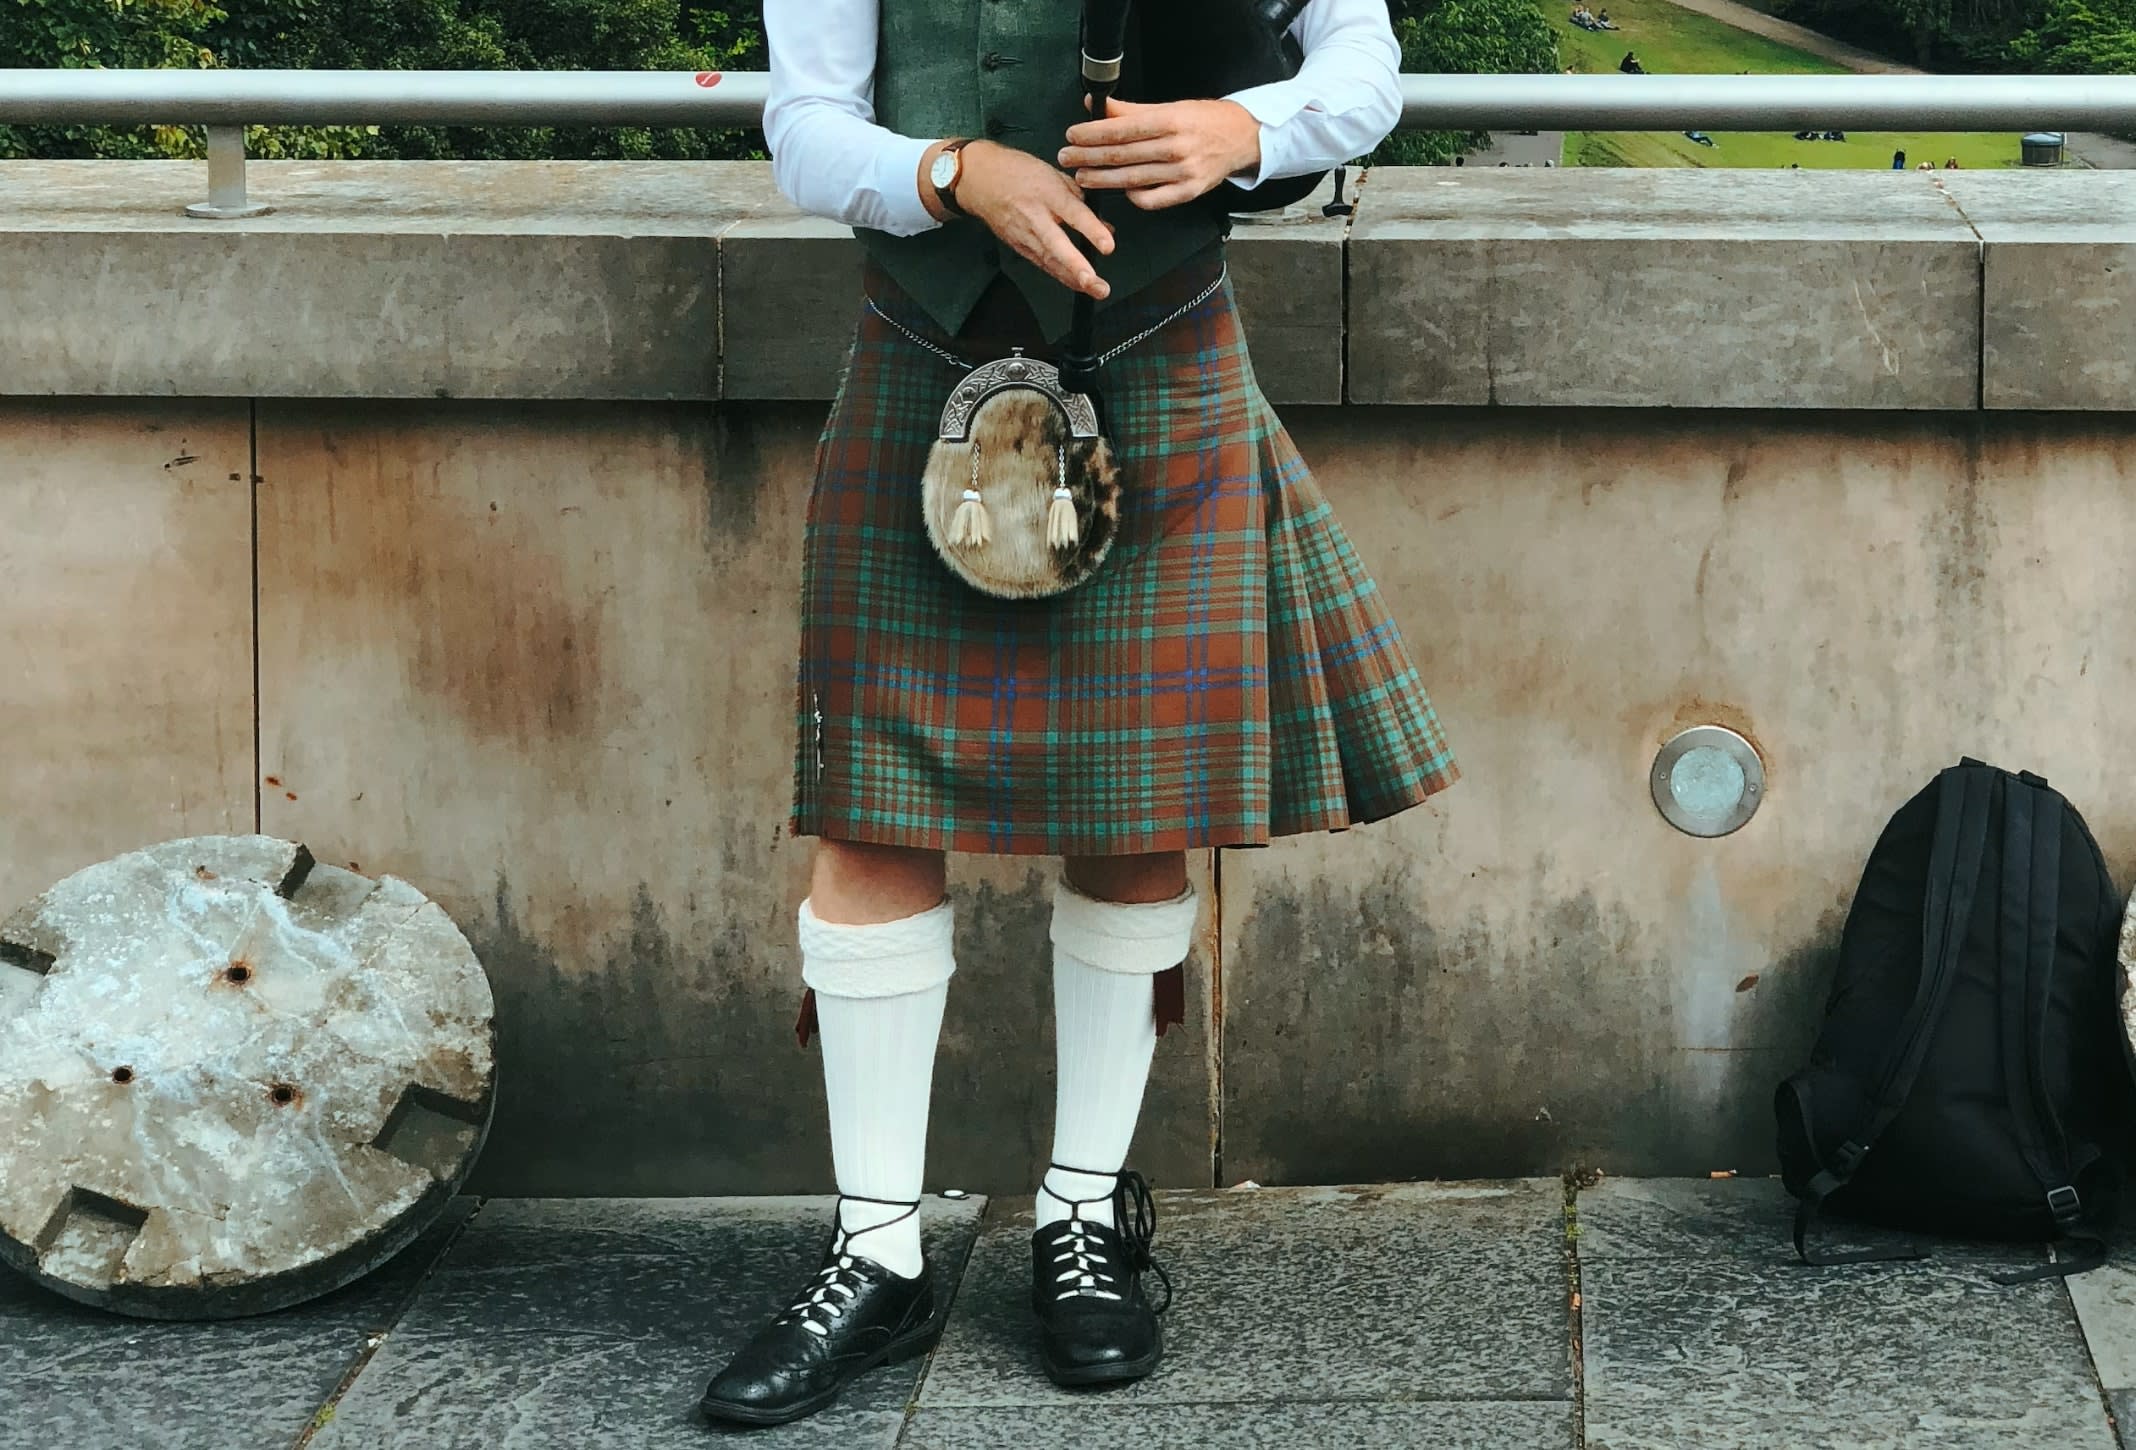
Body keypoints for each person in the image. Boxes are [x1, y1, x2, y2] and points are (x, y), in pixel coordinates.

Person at [698, 0, 1456, 1428]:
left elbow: (1364, 60)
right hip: (923, 354)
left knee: (1134, 815)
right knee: (870, 816)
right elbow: (803, 127)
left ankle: (1082, 1216)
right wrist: (948, 173)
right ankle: (875, 1250)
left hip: (1161, 352)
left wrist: (1250, 129)